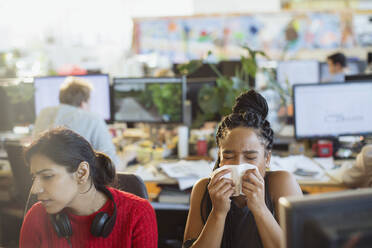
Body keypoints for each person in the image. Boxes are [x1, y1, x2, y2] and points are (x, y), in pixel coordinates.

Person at [183, 90, 302, 248]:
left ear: (267, 159)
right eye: (229, 156)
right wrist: (218, 213)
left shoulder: (280, 184)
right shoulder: (203, 190)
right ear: (219, 157)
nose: (238, 165)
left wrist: (259, 207)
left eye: (250, 157)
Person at [20, 128, 158, 248]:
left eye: (47, 176)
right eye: (34, 177)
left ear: (82, 173)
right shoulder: (36, 217)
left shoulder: (137, 214)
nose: (35, 189)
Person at [33, 76, 123, 170]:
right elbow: (112, 166)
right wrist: (128, 155)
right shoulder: (92, 118)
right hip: (77, 181)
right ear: (83, 103)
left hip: (43, 178)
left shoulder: (44, 113)